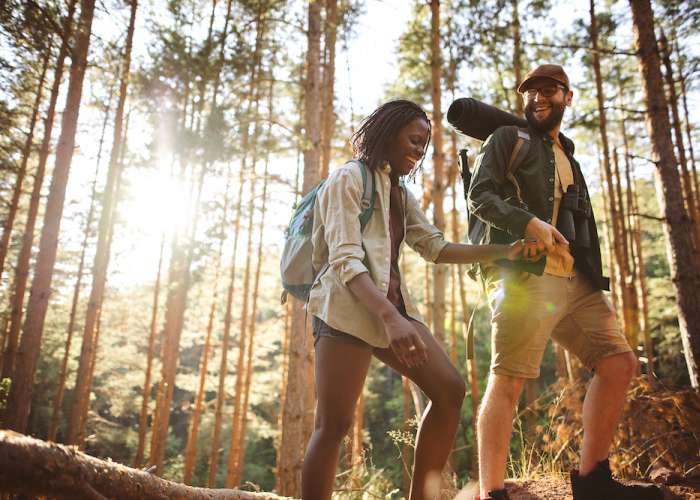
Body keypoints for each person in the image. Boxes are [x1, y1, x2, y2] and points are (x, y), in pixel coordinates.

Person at [302, 99, 527, 500]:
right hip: (343, 312)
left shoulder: (397, 191)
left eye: (424, 145)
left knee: (449, 391)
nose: (418, 151)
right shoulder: (347, 179)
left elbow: (435, 247)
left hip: (392, 312)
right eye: (413, 140)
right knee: (333, 426)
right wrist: (391, 319)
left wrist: (503, 253)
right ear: (388, 134)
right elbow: (345, 261)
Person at [465, 64, 663, 500]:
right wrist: (527, 222)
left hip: (575, 278)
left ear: (567, 97)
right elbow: (478, 196)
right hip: (524, 276)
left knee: (618, 363)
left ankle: (593, 481)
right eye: (530, 92)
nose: (537, 97)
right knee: (509, 379)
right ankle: (492, 493)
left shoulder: (568, 156)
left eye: (548, 90)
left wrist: (592, 270)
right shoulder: (506, 140)